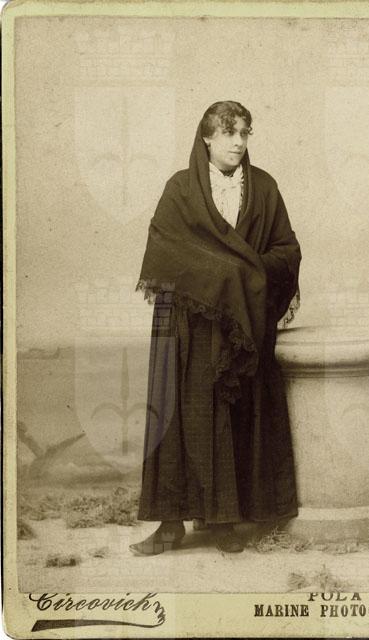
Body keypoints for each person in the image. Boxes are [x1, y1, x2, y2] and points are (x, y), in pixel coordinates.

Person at [130, 100, 301, 555]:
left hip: (242, 327)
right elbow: (163, 251)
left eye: (244, 133)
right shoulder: (181, 189)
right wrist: (225, 274)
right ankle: (170, 526)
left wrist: (244, 275)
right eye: (228, 133)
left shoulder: (263, 188)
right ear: (207, 137)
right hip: (192, 328)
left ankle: (226, 521)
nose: (238, 143)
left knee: (234, 418)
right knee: (181, 419)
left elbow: (287, 251)